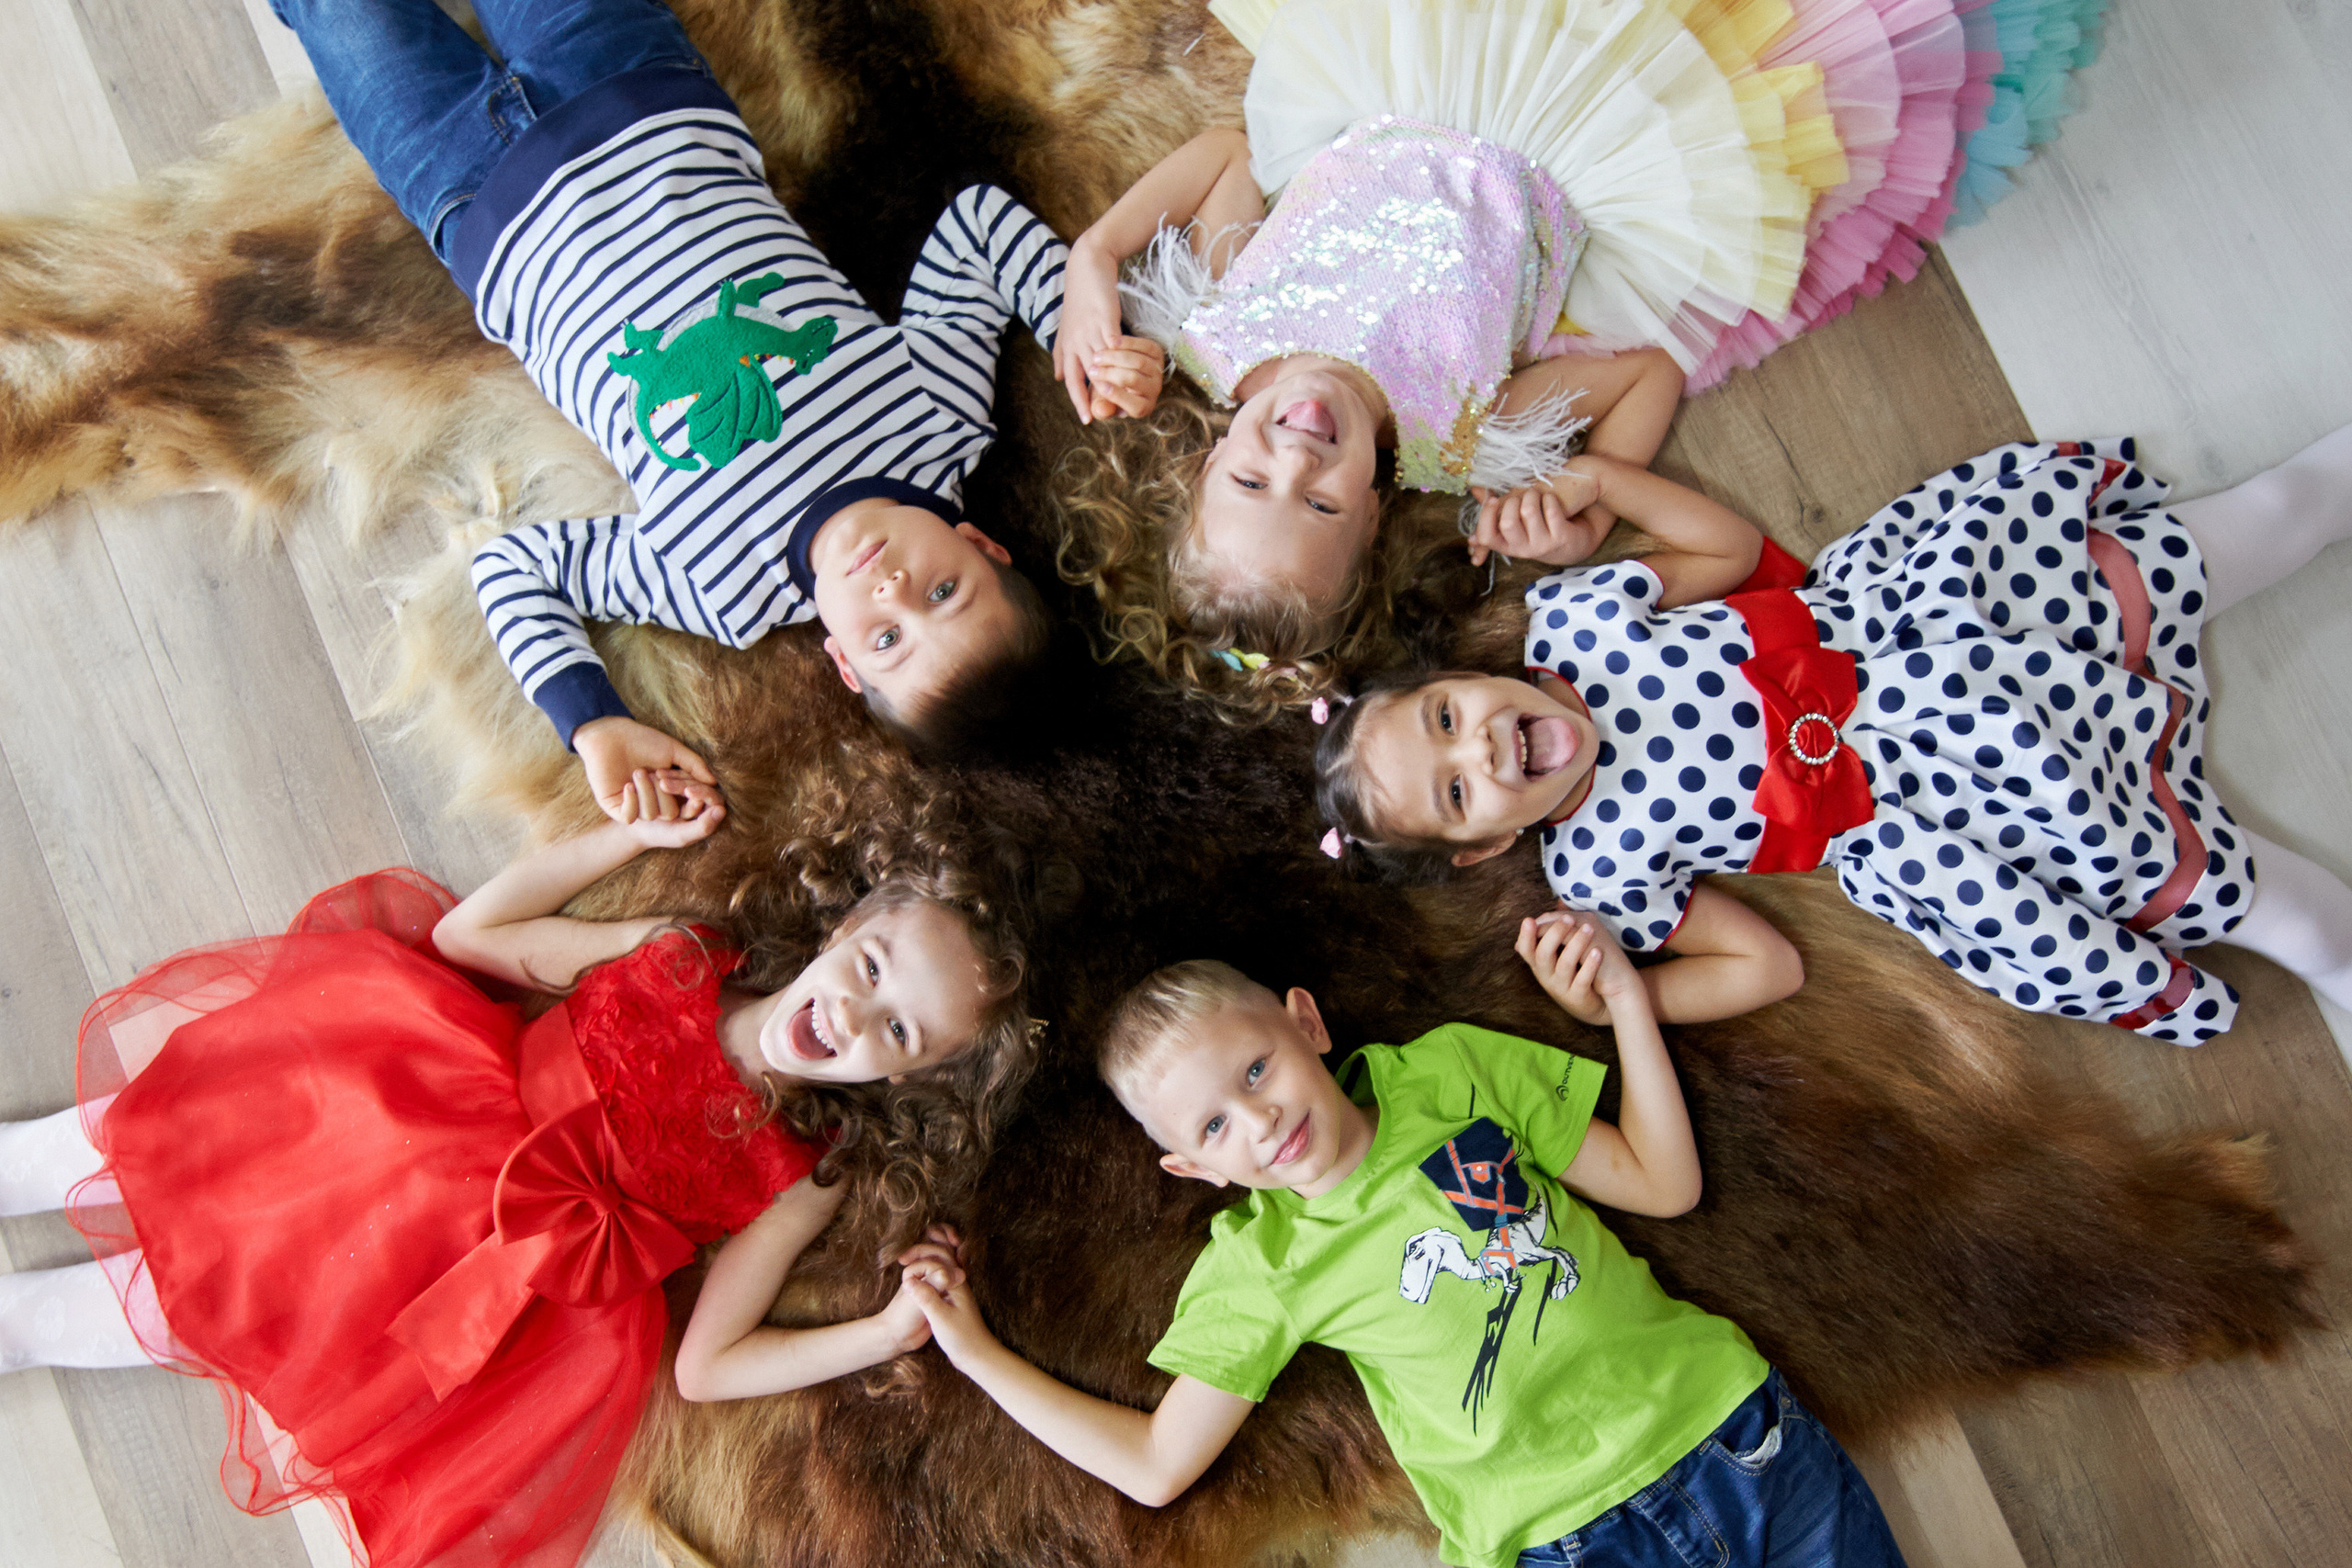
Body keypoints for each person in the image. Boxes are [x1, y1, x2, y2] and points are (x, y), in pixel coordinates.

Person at [0, 771, 1037, 1568]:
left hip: (493, 1280)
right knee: (198, 1134)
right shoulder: (679, 954)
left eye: (896, 1030)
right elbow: (471, 936)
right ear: (843, 928)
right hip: (428, 1111)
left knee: (252, 1297)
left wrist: (883, 1331)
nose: (853, 1016)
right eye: (867, 970)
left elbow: (707, 1366)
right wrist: (627, 835)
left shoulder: (806, 1172)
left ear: (912, 1076)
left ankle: (23, 1326)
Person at [265, 0, 1162, 806]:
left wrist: (589, 721)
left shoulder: (718, 589)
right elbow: (973, 228)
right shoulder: (941, 420)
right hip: (634, 93)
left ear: (844, 664)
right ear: (979, 544)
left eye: (887, 637)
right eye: (943, 589)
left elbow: (512, 571)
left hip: (477, 208)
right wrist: (1069, 320)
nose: (893, 589)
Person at [902, 926, 1906, 1567]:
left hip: (1726, 1435)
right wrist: (974, 1354)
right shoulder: (1265, 1264)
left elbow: (1663, 1183)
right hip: (1555, 1536)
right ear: (1193, 1173)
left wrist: (1628, 1008)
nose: (1255, 1123)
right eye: (1211, 1129)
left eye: (1254, 1071)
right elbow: (1159, 1466)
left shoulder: (1449, 1074)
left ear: (1304, 1022)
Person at [1312, 427, 2352, 1042]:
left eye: (1446, 718)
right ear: (1489, 845)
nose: (1481, 750)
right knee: (2268, 913)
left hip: (1928, 625)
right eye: (1457, 792)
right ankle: (2321, 942)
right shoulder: (1597, 869)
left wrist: (1599, 484)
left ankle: (2315, 493)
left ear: (1460, 677)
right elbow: (1766, 968)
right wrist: (1618, 1003)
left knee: (2258, 519)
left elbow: (1726, 550)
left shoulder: (1575, 625)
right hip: (1947, 808)